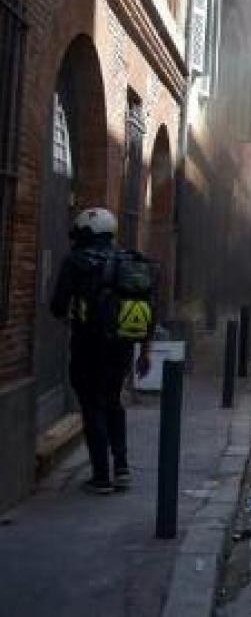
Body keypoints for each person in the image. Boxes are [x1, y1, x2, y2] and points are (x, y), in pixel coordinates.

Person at [51, 208, 155, 495]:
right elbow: (148, 307)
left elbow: (58, 306)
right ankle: (121, 469)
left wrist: (73, 316)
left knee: (92, 405)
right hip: (122, 347)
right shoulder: (128, 260)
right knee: (113, 401)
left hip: (88, 345)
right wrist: (145, 351)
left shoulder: (76, 261)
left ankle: (101, 477)